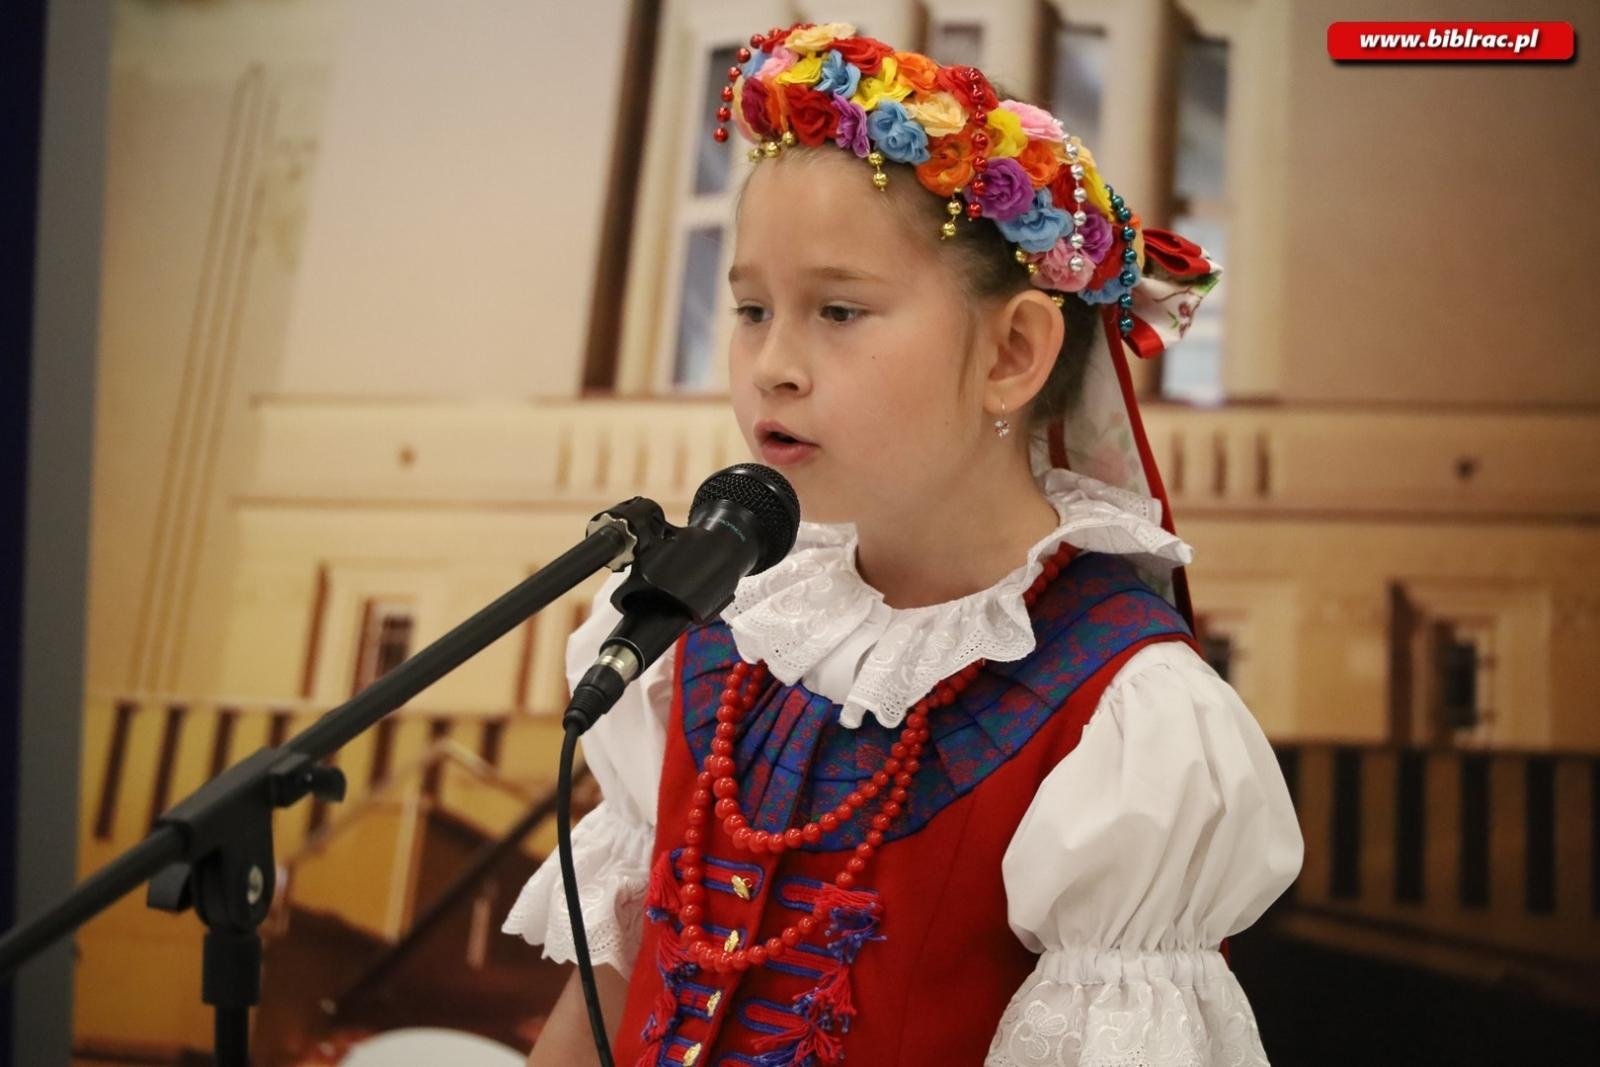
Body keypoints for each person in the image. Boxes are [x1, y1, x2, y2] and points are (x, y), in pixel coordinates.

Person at [506, 21, 1302, 1066]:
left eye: (838, 310)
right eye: (751, 307)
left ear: (1012, 352)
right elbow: (608, 993)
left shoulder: (1121, 714)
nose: (772, 366)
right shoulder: (710, 631)